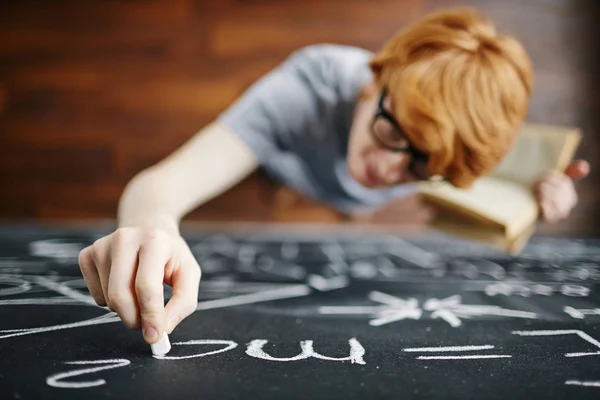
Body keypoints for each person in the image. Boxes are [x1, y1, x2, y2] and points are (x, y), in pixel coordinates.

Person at [78, 7, 590, 345]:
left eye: (420, 166)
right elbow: (163, 183)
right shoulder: (306, 91)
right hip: (288, 167)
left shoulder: (456, 147)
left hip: (342, 204)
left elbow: (502, 169)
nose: (386, 171)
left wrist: (544, 191)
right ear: (377, 81)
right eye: (393, 134)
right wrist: (153, 226)